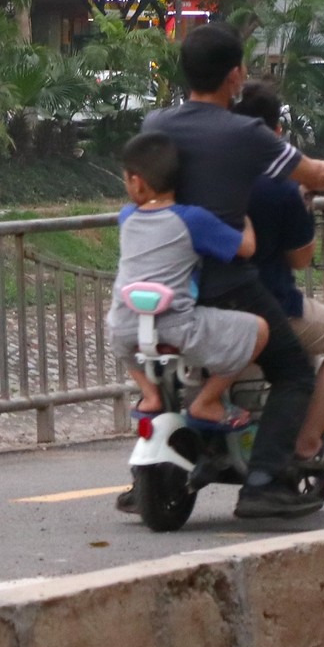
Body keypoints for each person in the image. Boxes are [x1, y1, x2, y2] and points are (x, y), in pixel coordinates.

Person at [142, 22, 324, 520]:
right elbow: (318, 176)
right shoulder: (247, 135)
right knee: (293, 370)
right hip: (231, 285)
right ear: (235, 75)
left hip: (169, 283)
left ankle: (151, 472)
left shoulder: (156, 124)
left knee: (156, 367)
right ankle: (265, 479)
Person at [232, 80, 324, 471]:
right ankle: (306, 445)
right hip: (269, 301)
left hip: (200, 298)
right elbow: (301, 259)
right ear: (275, 134)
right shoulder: (281, 189)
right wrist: (304, 205)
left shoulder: (208, 176)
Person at [105, 131, 266, 430]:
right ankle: (207, 401)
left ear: (137, 182)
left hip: (123, 326)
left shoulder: (127, 216)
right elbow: (247, 248)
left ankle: (150, 395)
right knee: (259, 330)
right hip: (178, 328)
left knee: (121, 342)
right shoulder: (193, 220)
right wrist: (244, 216)